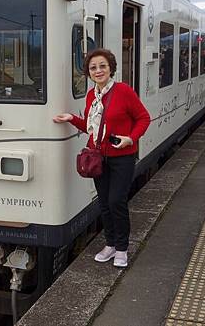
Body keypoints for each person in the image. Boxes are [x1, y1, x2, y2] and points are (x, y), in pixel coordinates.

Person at [53, 48, 150, 268]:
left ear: (110, 68)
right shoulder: (91, 96)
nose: (98, 71)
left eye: (102, 66)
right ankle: (110, 245)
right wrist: (71, 118)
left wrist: (131, 138)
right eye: (93, 67)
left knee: (117, 201)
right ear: (88, 72)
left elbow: (144, 118)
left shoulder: (123, 91)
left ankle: (122, 248)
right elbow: (90, 126)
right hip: (98, 158)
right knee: (104, 203)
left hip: (122, 157)